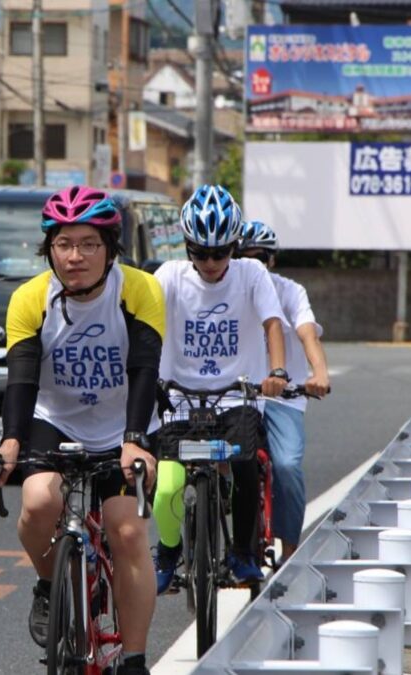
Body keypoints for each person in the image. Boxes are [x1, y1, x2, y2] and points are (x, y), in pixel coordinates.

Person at [0, 185, 164, 675]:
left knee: (127, 531)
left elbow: (145, 368)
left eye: (88, 244)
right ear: (49, 249)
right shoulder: (30, 298)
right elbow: (21, 377)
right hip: (53, 420)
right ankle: (47, 584)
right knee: (39, 501)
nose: (75, 256)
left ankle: (134, 658)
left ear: (109, 249)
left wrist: (136, 441)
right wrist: (10, 443)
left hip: (124, 424)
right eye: (64, 244)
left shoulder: (140, 290)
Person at [150, 185, 290, 595]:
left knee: (247, 468)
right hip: (178, 399)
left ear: (234, 246)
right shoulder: (169, 277)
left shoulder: (252, 274)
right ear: (186, 246)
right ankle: (169, 552)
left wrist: (277, 371)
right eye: (200, 252)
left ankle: (243, 553)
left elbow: (272, 324)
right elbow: (147, 327)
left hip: (236, 397)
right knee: (168, 487)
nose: (211, 263)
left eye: (220, 252)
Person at [236, 220, 331, 561]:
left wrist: (319, 372)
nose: (253, 265)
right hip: (234, 395)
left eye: (260, 258)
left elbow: (308, 334)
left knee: (287, 466)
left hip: (282, 398)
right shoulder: (226, 290)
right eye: (243, 257)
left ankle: (289, 556)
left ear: (272, 261)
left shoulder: (289, 291)